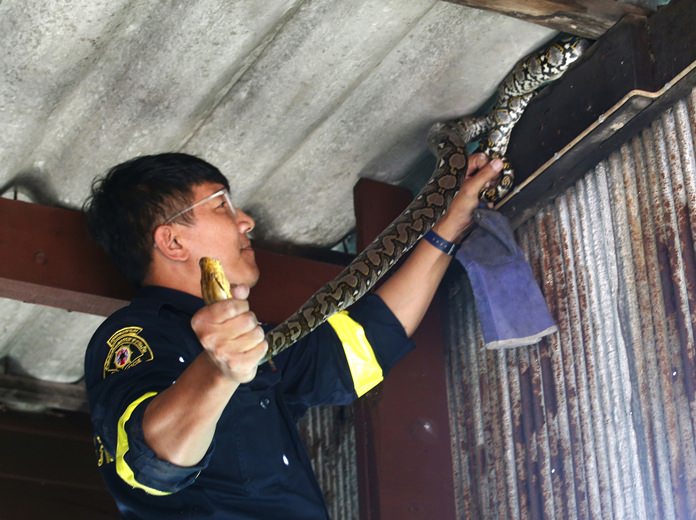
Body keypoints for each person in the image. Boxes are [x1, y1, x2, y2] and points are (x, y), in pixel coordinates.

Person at [83, 152, 502, 519]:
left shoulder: (258, 342)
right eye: (221, 205)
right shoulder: (133, 334)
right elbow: (150, 462)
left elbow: (359, 348)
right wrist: (219, 372)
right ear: (172, 241)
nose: (246, 221)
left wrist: (450, 227)